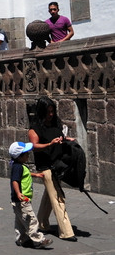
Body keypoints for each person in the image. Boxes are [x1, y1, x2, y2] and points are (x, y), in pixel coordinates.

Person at [27, 96, 77, 241]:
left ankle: (42, 223)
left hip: (58, 164)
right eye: (48, 112)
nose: (51, 114)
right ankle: (66, 232)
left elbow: (59, 136)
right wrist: (49, 144)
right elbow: (34, 147)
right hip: (46, 166)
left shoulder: (56, 124)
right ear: (41, 112)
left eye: (52, 111)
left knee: (50, 195)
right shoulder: (35, 129)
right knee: (57, 197)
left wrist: (67, 139)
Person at [9, 141, 53, 249]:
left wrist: (36, 175)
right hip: (22, 199)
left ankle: (22, 239)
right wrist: (19, 193)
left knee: (20, 220)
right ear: (20, 156)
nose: (28, 155)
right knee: (31, 220)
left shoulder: (19, 166)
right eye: (26, 154)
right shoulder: (18, 167)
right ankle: (39, 240)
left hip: (21, 200)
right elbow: (15, 181)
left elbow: (26, 174)